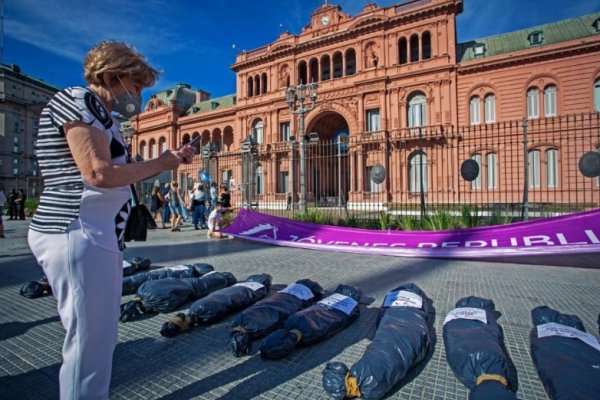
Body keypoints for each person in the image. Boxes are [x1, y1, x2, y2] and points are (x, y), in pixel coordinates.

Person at [27, 40, 195, 400]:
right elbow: (98, 173)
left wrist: (167, 160)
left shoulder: (107, 118)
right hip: (75, 229)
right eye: (135, 86)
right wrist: (162, 164)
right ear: (111, 75)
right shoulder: (78, 99)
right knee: (89, 340)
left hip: (96, 233)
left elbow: (118, 173)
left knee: (99, 336)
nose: (136, 95)